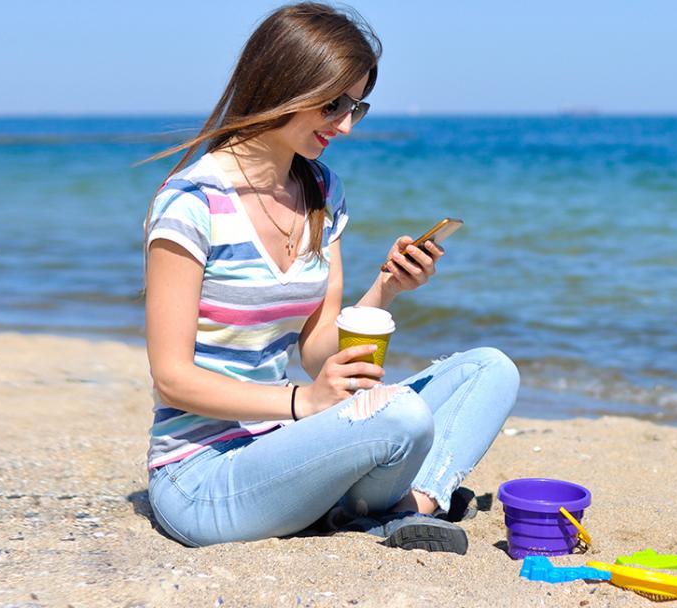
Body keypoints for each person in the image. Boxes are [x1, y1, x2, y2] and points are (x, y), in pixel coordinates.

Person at [138, 3, 518, 554]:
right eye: (331, 104)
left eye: (355, 106)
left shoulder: (322, 191)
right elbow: (172, 379)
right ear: (282, 84)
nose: (343, 125)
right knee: (403, 416)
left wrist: (387, 289)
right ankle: (385, 505)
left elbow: (319, 354)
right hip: (200, 478)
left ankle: (411, 503)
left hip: (288, 443)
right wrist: (303, 404)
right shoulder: (193, 203)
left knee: (490, 370)